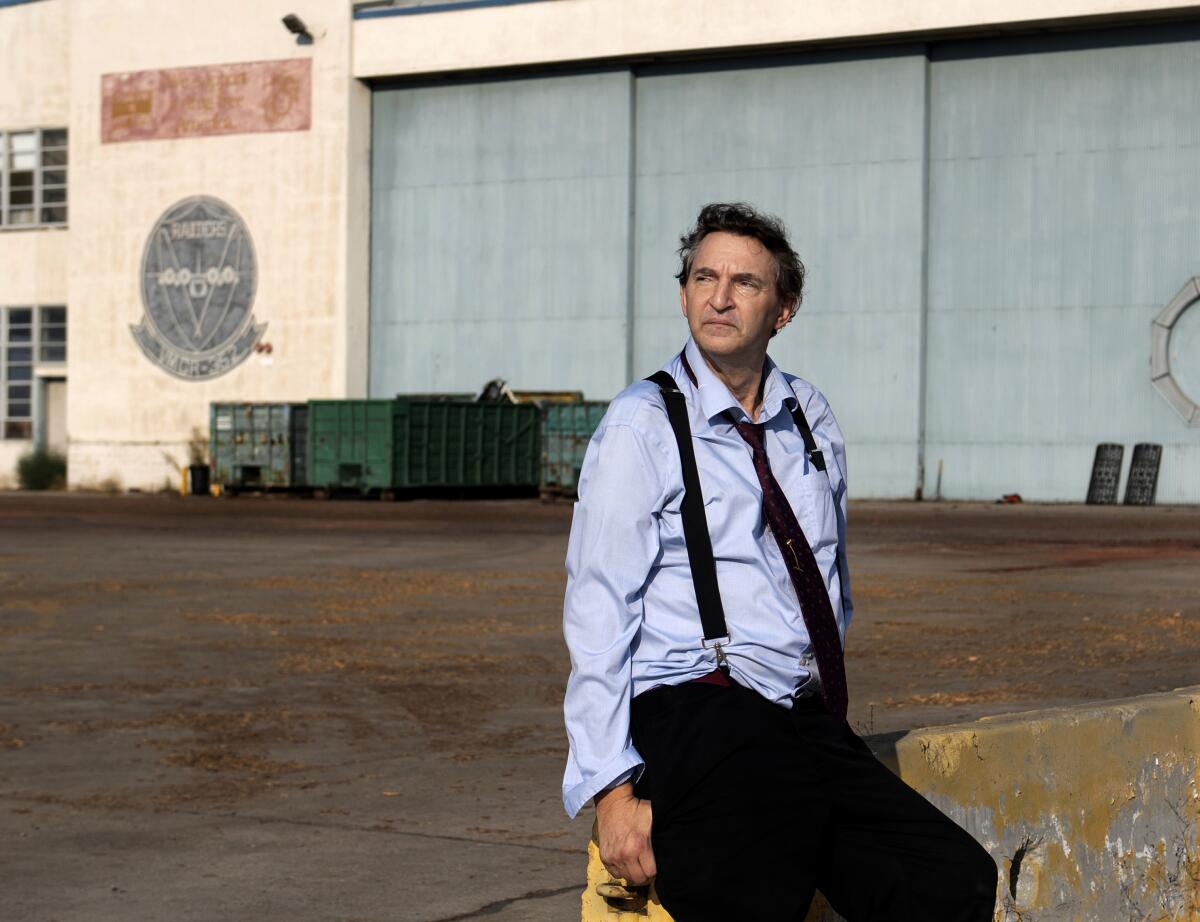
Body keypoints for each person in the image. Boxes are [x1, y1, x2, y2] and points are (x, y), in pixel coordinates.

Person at [561, 202, 997, 921]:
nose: (719, 297)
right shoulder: (642, 425)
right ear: (683, 293)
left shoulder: (810, 417)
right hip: (693, 702)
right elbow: (597, 612)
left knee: (949, 880)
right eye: (704, 277)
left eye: (745, 283)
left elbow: (829, 581)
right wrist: (611, 791)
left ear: (783, 310)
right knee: (756, 870)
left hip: (794, 712)